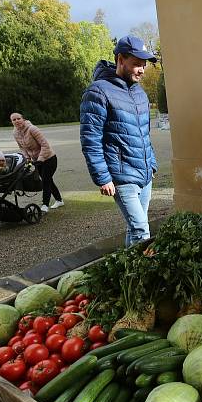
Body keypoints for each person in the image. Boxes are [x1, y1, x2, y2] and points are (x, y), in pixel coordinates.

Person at [80, 35, 158, 246]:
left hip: (145, 174)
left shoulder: (140, 93)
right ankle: (145, 277)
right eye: (136, 65)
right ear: (120, 60)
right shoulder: (98, 92)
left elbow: (143, 134)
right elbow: (90, 139)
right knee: (142, 230)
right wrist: (103, 178)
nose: (141, 70)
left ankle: (127, 273)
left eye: (143, 66)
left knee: (134, 229)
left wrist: (151, 164)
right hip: (122, 177)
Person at [11, 112, 63, 212]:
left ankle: (45, 205)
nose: (17, 121)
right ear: (12, 122)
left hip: (49, 158)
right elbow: (22, 147)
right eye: (14, 120)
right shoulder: (15, 133)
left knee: (45, 181)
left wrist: (40, 159)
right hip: (36, 160)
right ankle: (59, 200)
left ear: (23, 119)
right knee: (48, 180)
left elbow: (45, 145)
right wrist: (27, 158)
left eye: (18, 118)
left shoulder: (32, 129)